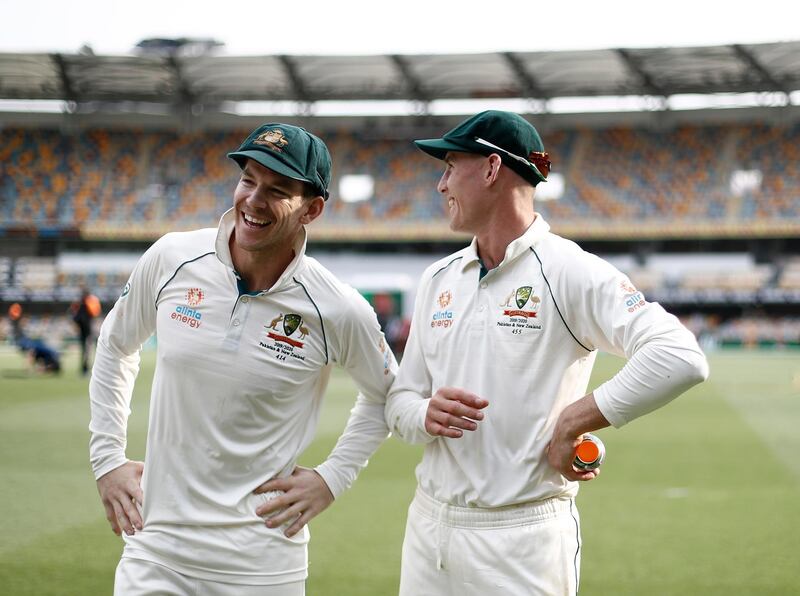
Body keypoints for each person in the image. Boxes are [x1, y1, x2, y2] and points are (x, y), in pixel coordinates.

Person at [384, 110, 709, 595]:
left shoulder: (569, 270)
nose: (441, 184)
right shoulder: (437, 279)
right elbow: (400, 401)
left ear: (492, 169)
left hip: (522, 539)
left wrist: (575, 420)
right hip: (429, 531)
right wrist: (424, 413)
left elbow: (680, 354)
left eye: (451, 165)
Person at [89, 123, 397, 595]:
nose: (254, 199)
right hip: (155, 555)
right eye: (249, 179)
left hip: (262, 567)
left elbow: (387, 396)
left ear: (312, 209)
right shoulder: (173, 256)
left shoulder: (336, 307)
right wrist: (107, 458)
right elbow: (115, 344)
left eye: (277, 190)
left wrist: (332, 477)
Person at [71, 288, 101, 375]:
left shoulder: (81, 304)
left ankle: (85, 369)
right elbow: (95, 313)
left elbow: (75, 317)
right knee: (87, 350)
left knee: (85, 350)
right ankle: (85, 369)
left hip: (85, 332)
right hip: (87, 332)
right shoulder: (88, 303)